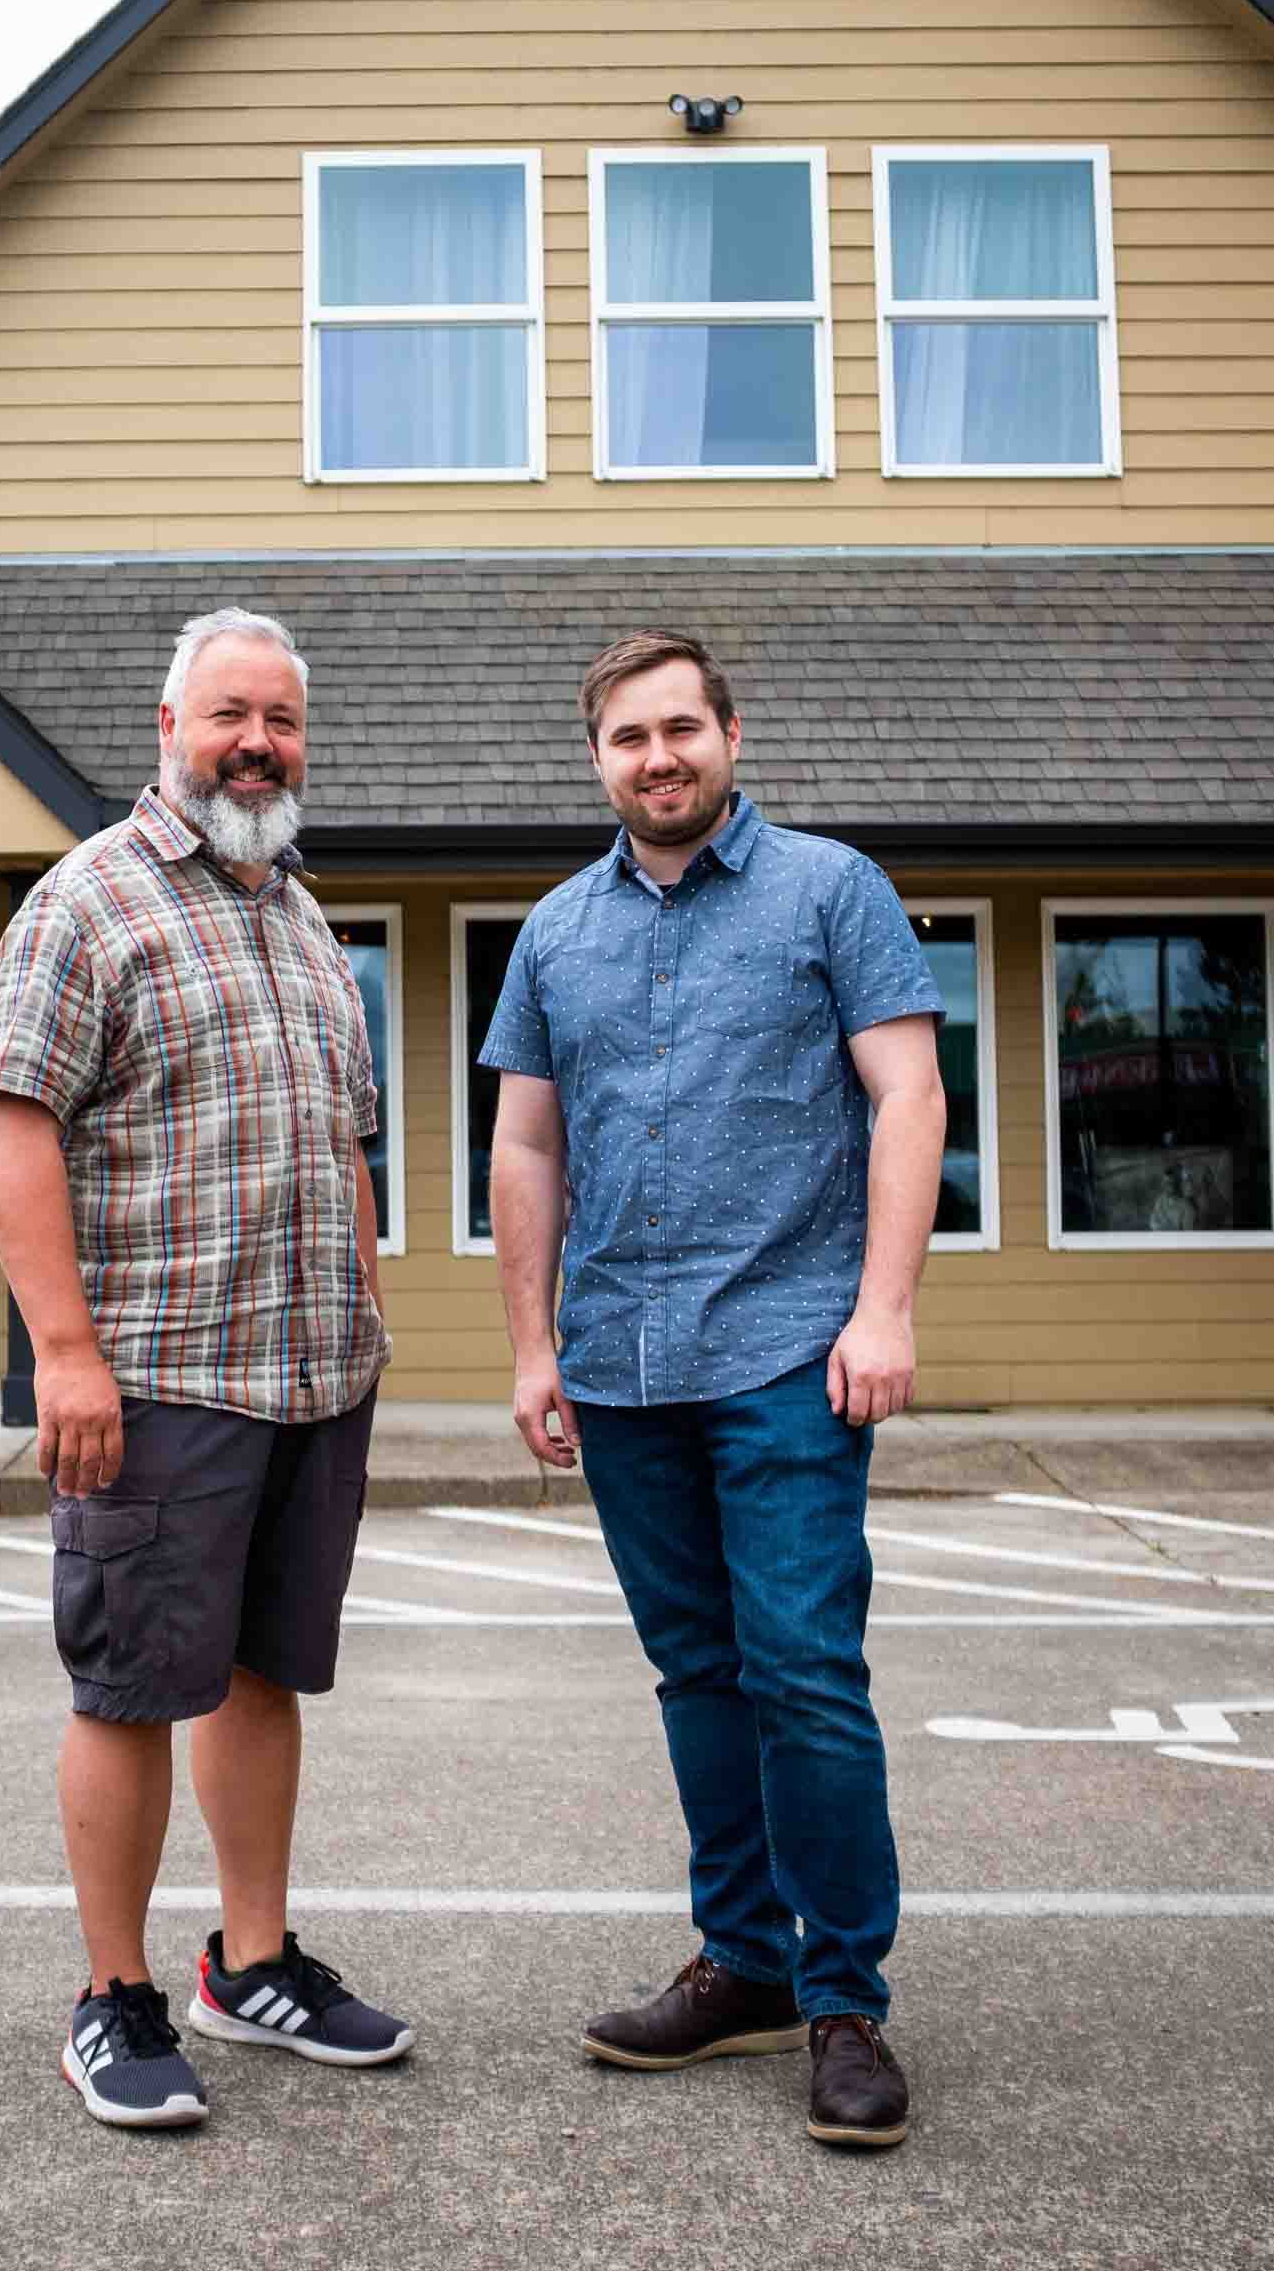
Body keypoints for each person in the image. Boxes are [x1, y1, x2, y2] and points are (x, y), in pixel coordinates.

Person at [480, 628, 945, 2151]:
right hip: (620, 1363)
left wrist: (884, 1309)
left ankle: (843, 1999)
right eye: (627, 736)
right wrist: (531, 1343)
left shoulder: (832, 889)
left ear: (729, 735)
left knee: (803, 1669)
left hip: (788, 1350)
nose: (657, 755)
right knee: (695, 1673)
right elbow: (527, 1147)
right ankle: (741, 1959)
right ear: (596, 758)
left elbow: (906, 1094)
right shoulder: (552, 931)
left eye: (680, 726)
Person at [0, 605, 411, 2132]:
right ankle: (113, 1994)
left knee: (260, 1671)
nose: (257, 742)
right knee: (127, 1687)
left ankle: (252, 1958)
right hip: (157, 1376)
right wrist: (65, 1356)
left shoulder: (303, 916)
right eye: (231, 713)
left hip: (309, 1376)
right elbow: (13, 1121)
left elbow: (344, 1135)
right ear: (168, 725)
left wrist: (362, 1299)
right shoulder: (85, 903)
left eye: (282, 719)